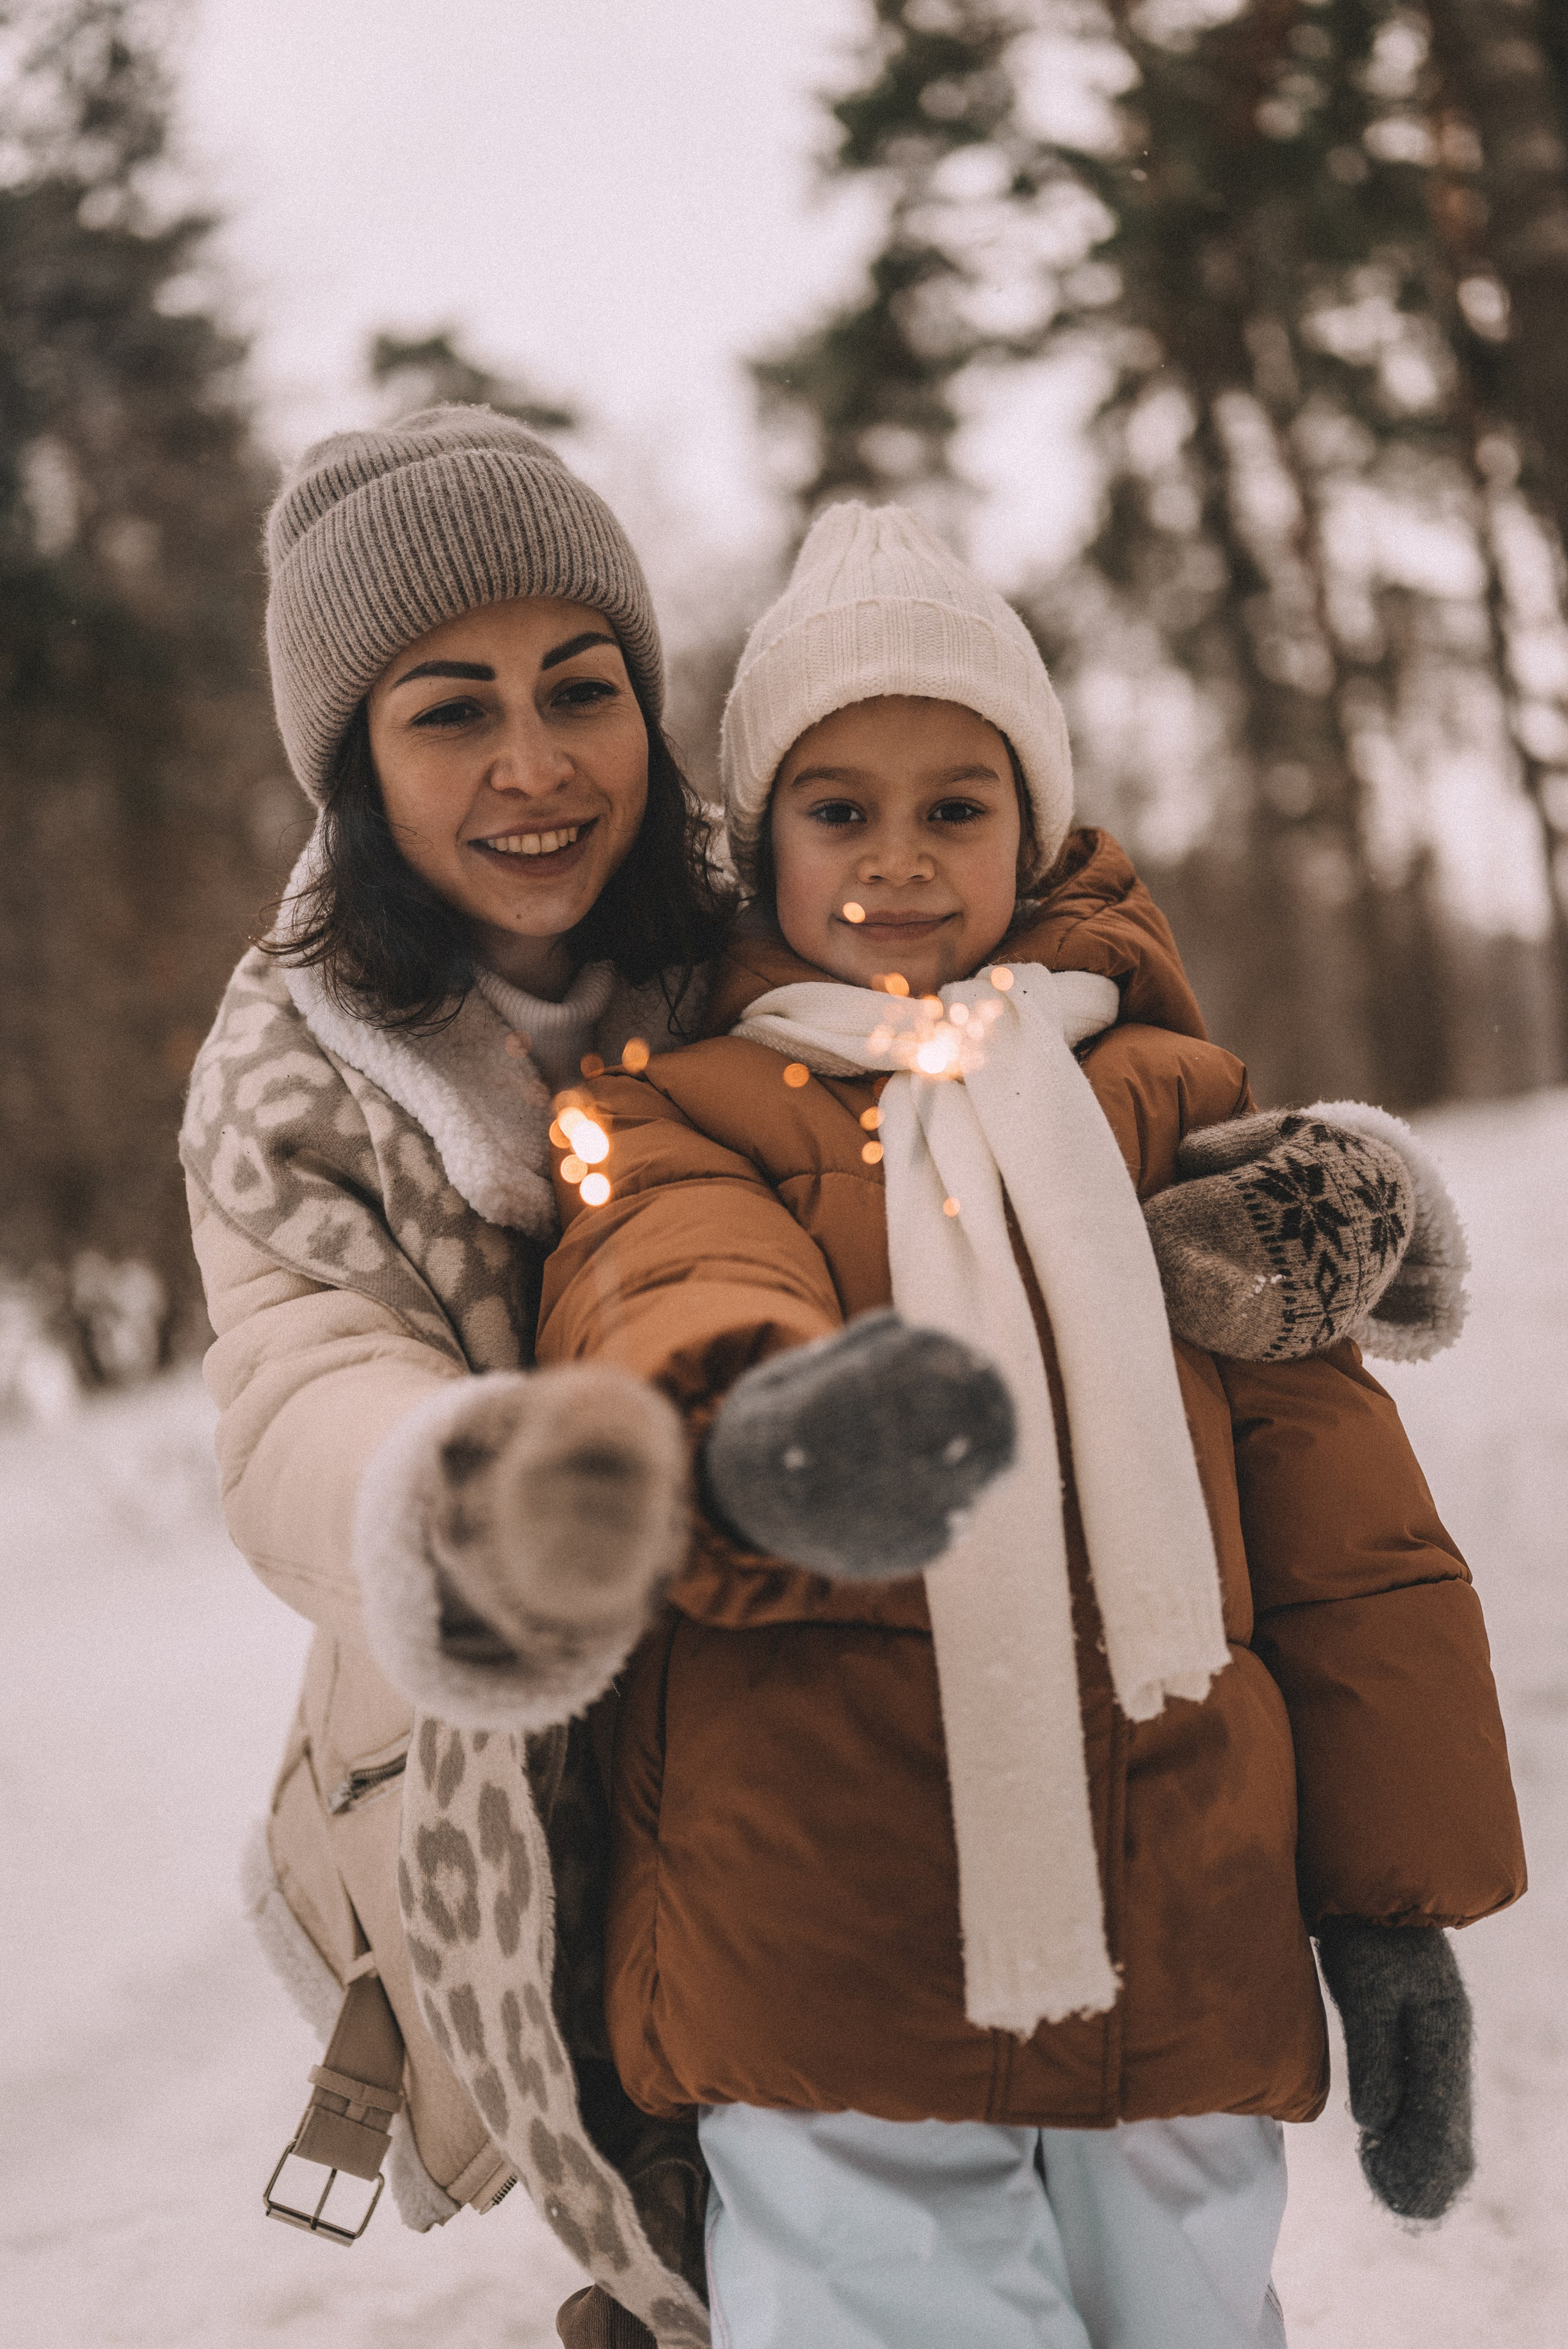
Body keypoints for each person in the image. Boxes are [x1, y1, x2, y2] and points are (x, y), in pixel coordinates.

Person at [182, 413, 1472, 2349]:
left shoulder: (784, 905)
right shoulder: (317, 1085)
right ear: (355, 765)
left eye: (583, 690)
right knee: (784, 2243)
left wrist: (1329, 1211)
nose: (534, 766)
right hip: (590, 1764)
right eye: (451, 712)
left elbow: (1319, 1489)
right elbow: (319, 1390)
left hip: (1131, 1892)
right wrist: (550, 1477)